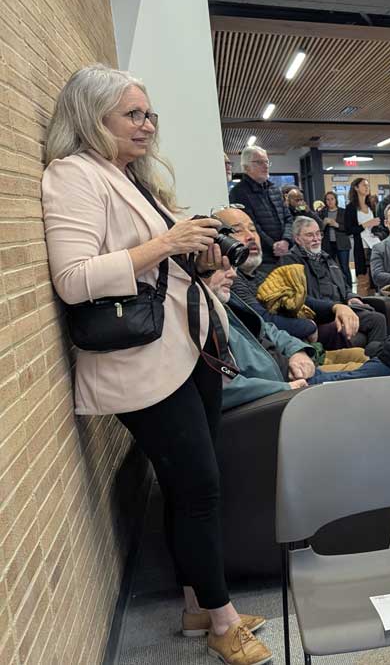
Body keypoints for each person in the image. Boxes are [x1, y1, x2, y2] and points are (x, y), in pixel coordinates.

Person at [42, 64, 271, 664]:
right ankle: (222, 623)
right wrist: (168, 242)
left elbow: (160, 267)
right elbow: (72, 280)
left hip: (188, 347)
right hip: (140, 363)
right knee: (199, 487)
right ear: (93, 119)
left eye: (151, 116)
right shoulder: (73, 176)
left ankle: (199, 604)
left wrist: (200, 246)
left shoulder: (130, 178)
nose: (148, 127)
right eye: (134, 116)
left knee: (188, 487)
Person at [206, 263, 390, 410]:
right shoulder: (203, 316)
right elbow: (221, 388)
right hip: (284, 393)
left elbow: (269, 328)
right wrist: (284, 387)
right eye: (220, 266)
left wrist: (297, 352)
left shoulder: (228, 300)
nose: (232, 273)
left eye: (231, 265)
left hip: (296, 371)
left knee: (386, 360)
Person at [280, 216, 388, 353]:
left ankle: (376, 362)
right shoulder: (290, 261)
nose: (316, 238)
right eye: (309, 235)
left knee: (378, 319)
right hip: (319, 315)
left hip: (342, 308)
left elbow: (345, 285)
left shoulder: (326, 257)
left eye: (318, 233)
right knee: (343, 327)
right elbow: (298, 299)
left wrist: (351, 297)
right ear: (297, 239)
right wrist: (333, 307)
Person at [215, 207, 319, 342]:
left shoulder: (260, 276)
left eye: (252, 229)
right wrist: (308, 326)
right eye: (238, 230)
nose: (251, 236)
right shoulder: (229, 282)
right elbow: (260, 320)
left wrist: (337, 307)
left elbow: (305, 300)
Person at [229, 145, 292, 274]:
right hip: (261, 258)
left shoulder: (275, 189)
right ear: (246, 167)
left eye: (266, 161)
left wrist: (286, 241)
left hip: (284, 254)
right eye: (259, 162)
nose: (265, 165)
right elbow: (251, 226)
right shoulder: (239, 192)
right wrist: (273, 245)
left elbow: (288, 218)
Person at [340, 177, 380, 283]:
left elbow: (377, 226)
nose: (367, 187)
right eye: (364, 185)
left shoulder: (371, 206)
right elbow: (348, 230)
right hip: (361, 245)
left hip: (374, 243)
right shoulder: (351, 208)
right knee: (364, 278)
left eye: (368, 185)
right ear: (356, 188)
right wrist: (365, 225)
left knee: (375, 277)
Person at [319, 190, 351, 283]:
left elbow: (349, 228)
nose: (330, 201)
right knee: (330, 268)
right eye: (327, 199)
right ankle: (336, 289)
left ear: (336, 200)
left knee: (344, 268)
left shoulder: (344, 212)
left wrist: (336, 225)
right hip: (328, 245)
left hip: (342, 244)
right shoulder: (322, 213)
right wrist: (323, 224)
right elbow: (318, 229)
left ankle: (349, 289)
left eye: (332, 199)